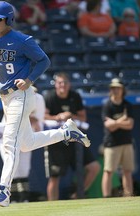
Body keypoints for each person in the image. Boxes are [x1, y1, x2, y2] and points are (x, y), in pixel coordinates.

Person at [0, 1, 91, 207]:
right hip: (5, 97)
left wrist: (29, 80)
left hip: (21, 94)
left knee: (9, 142)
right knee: (26, 144)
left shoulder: (22, 40)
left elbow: (44, 60)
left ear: (9, 19)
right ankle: (66, 133)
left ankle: (3, 191)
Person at [44, 72, 100, 200]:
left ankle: (77, 195)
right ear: (55, 85)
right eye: (59, 83)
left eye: (64, 83)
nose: (62, 85)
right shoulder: (50, 97)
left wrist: (70, 115)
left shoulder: (75, 96)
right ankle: (51, 208)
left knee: (94, 167)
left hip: (75, 141)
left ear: (69, 85)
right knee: (54, 177)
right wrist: (58, 117)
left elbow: (83, 118)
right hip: (56, 142)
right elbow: (43, 117)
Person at [0, 86, 46, 203]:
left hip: (25, 137)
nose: (29, 95)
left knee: (24, 169)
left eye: (31, 92)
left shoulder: (39, 99)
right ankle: (12, 198)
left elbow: (38, 122)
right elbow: (16, 118)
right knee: (12, 168)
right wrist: (30, 117)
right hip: (8, 137)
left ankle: (24, 198)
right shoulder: (13, 98)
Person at [101, 78, 135, 197]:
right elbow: (109, 127)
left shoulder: (127, 105)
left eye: (118, 88)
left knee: (127, 171)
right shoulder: (107, 106)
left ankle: (128, 195)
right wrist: (122, 120)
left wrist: (115, 122)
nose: (115, 90)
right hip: (112, 143)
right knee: (108, 171)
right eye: (113, 88)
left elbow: (130, 125)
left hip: (126, 142)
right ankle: (106, 197)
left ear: (122, 90)